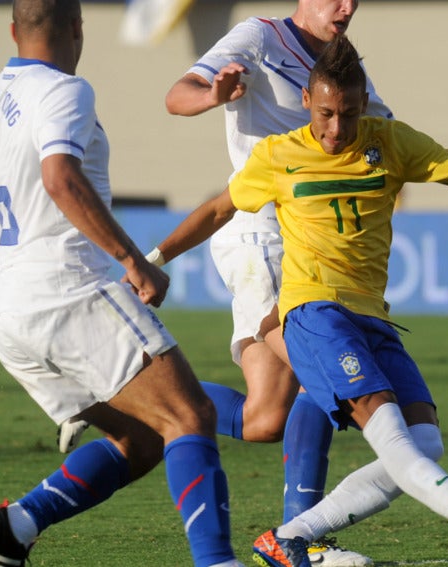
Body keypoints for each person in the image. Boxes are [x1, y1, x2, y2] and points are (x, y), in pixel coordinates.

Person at [147, 35, 448, 567]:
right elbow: (218, 210)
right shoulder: (279, 155)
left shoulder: (391, 141)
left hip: (373, 318)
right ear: (306, 103)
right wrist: (152, 257)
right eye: (326, 114)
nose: (337, 129)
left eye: (349, 114)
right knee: (385, 434)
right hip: (314, 312)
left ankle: (289, 538)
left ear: (364, 106)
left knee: (424, 442)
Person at [0, 1, 242, 566]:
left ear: (14, 31)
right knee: (190, 417)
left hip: (15, 310)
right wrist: (131, 259)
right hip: (71, 290)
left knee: (142, 438)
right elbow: (59, 177)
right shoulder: (66, 90)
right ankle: (217, 561)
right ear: (77, 28)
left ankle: (15, 525)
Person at [154, 2, 393, 564]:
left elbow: (384, 135)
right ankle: (299, 541)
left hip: (311, 246)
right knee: (322, 367)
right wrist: (213, 96)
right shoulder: (259, 38)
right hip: (260, 233)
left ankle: (125, 398)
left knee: (265, 419)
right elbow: (177, 94)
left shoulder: (342, 65)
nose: (346, 6)